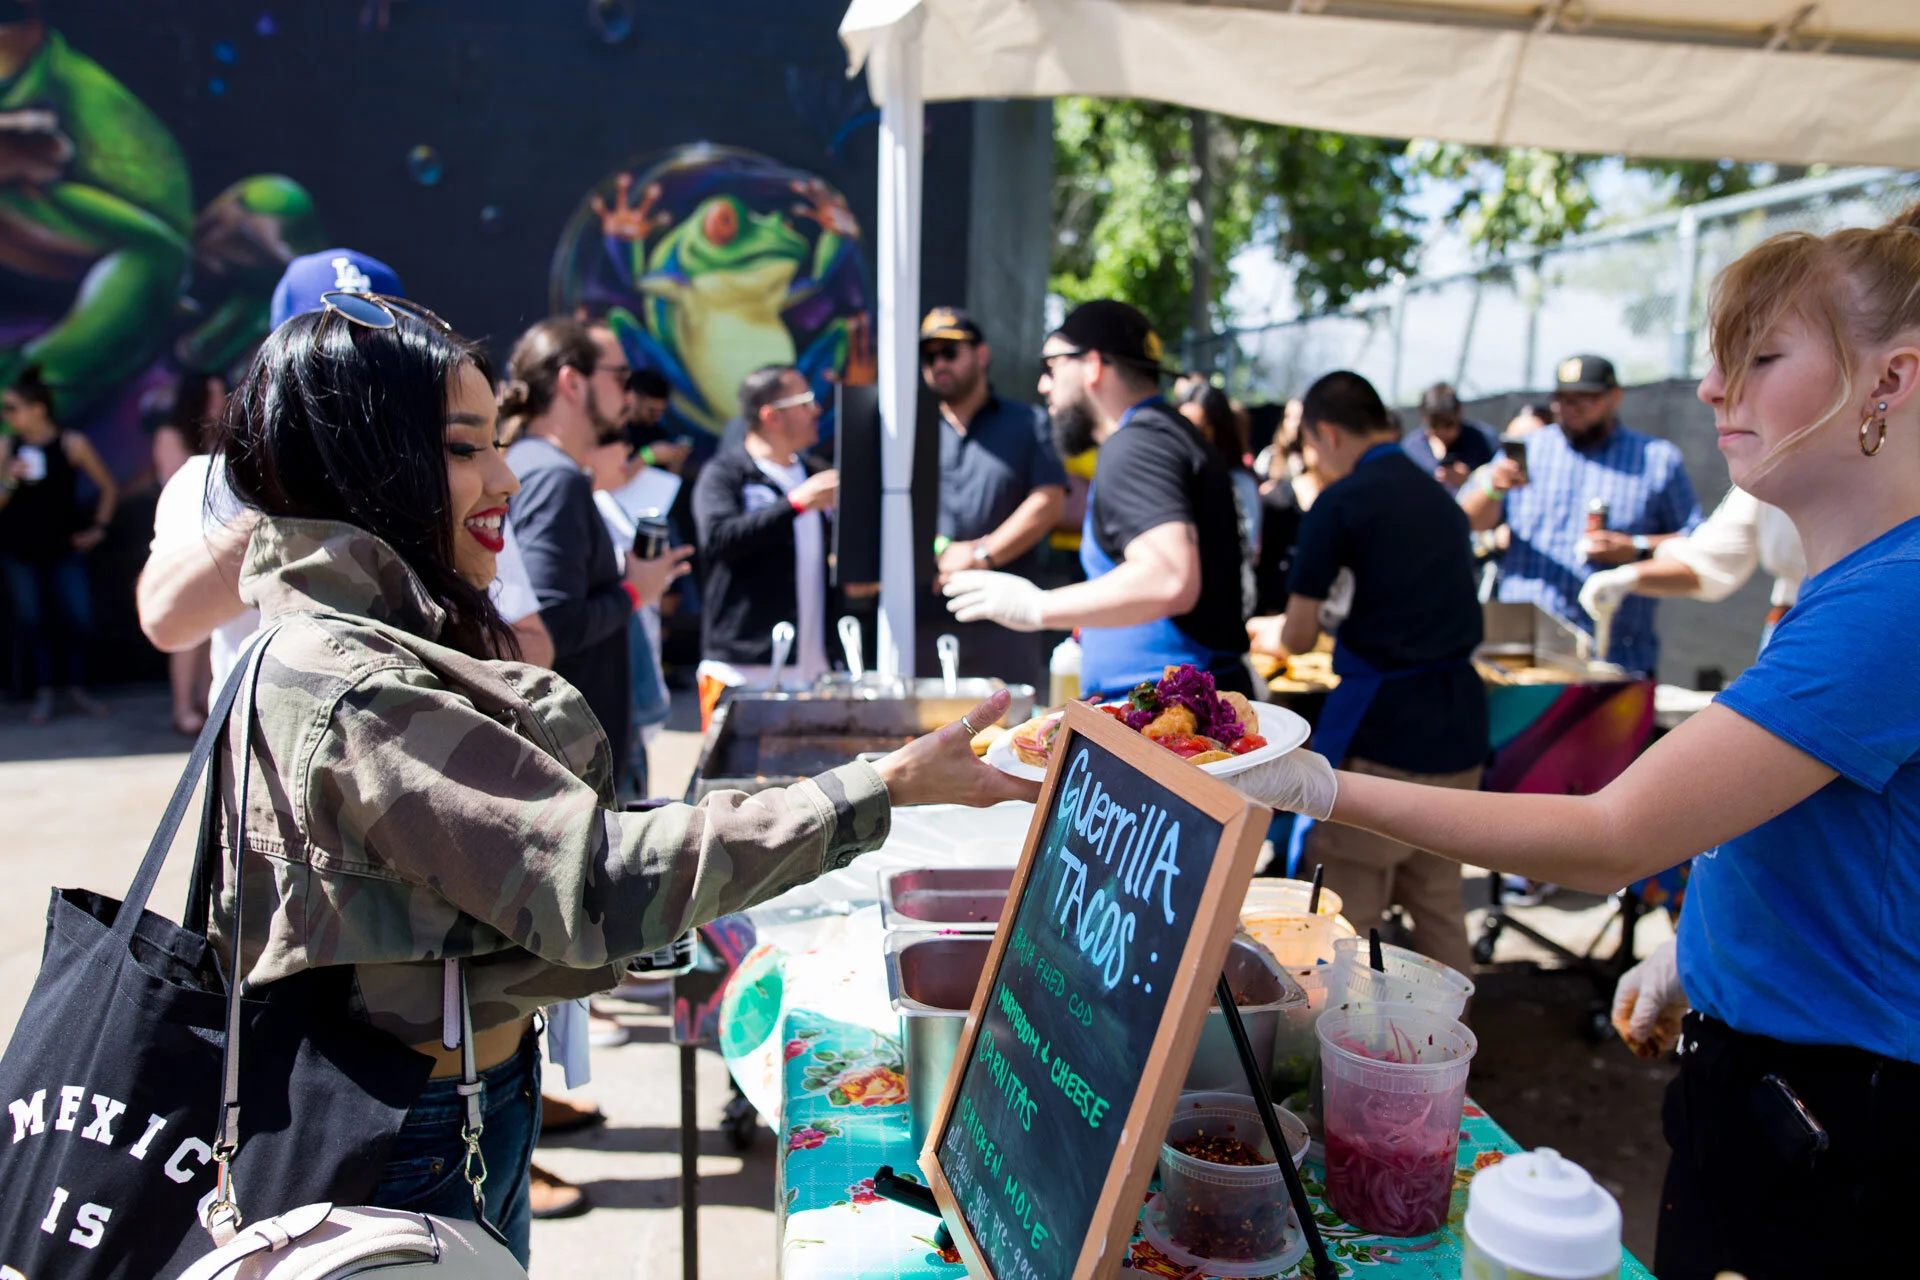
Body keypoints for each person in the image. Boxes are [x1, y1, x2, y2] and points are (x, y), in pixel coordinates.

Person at [208, 295, 1036, 1260]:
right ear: (366, 465)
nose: (506, 478)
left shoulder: (359, 642)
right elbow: (593, 879)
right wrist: (876, 789)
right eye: (465, 448)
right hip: (412, 1134)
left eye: (496, 443)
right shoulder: (355, 687)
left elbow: (542, 853)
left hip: (440, 1106)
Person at [1235, 204, 1920, 1279]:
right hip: (1777, 1095)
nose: (1711, 387)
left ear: (1891, 380)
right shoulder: (1861, 588)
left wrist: (1319, 784)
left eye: (1761, 355)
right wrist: (1697, 953)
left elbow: (1611, 833)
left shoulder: (1894, 601)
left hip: (1840, 1127)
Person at [1243, 372, 1487, 972]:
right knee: (1437, 901)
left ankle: (1345, 1059)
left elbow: (1298, 634)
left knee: (1348, 918)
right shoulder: (1443, 500)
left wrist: (1257, 631)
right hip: (1457, 730)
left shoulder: (1342, 502)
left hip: (1384, 736)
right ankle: (1448, 1054)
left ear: (1326, 434)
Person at [944, 300, 1253, 698]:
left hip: (1169, 723)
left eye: (1051, 366)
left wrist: (1037, 607)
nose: (1043, 384)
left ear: (1092, 365)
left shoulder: (1136, 444)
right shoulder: (1167, 434)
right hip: (1175, 711)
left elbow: (1170, 577)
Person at [140, 248, 405, 689]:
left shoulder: (449, 473)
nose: (351, 380)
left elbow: (525, 640)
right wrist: (285, 492)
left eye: (376, 356)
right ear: (277, 364)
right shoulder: (216, 480)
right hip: (272, 753)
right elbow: (167, 622)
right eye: (323, 357)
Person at [501, 317, 690, 790]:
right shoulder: (553, 477)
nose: (628, 395)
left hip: (572, 751)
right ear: (571, 381)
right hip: (579, 762)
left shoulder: (536, 465)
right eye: (619, 377)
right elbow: (554, 624)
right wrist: (634, 590)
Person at [1460, 353, 1703, 676]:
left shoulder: (1656, 461)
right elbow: (1466, 521)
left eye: (1584, 399)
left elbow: (1698, 547)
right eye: (1562, 399)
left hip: (1614, 660)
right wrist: (1494, 488)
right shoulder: (1528, 449)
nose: (1570, 408)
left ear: (1615, 397)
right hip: (1523, 658)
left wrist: (1634, 547)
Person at [921, 305, 1067, 687]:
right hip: (921, 623)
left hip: (1004, 621)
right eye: (929, 355)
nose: (938, 363)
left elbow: (1049, 500)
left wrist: (981, 554)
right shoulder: (905, 431)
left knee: (1007, 740)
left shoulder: (1029, 421)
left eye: (949, 352)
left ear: (981, 355)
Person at [693, 365, 838, 718]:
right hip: (744, 668)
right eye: (805, 401)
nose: (816, 410)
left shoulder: (815, 470)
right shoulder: (725, 473)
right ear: (771, 416)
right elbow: (718, 538)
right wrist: (795, 504)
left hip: (814, 666)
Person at [0, 367, 117, 723]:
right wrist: (9, 479)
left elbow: (107, 487)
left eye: (12, 407)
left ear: (38, 409)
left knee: (77, 619)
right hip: (20, 550)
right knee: (33, 622)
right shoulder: (7, 447)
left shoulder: (72, 443)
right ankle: (45, 693)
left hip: (64, 548)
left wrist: (98, 528)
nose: (7, 416)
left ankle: (78, 689)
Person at [1579, 485, 1803, 654]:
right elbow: (1709, 561)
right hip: (1792, 628)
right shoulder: (1768, 466)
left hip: (1828, 632)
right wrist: (1627, 577)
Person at [153, 372, 225, 733]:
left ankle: (205, 702)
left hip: (218, 539)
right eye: (212, 394)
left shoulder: (223, 433)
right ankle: (182, 708)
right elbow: (175, 483)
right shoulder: (171, 435)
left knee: (216, 630)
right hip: (186, 541)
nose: (219, 401)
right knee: (187, 631)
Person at [1175, 379, 1262, 557]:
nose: (1189, 439)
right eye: (1182, 428)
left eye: (1201, 432)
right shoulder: (1170, 477)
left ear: (1221, 432)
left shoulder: (1239, 485)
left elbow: (1248, 550)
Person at [1403, 381, 1497, 494]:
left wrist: (1470, 480)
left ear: (1459, 416)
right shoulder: (1412, 448)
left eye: (1449, 425)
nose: (1442, 432)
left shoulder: (1483, 440)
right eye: (1435, 425)